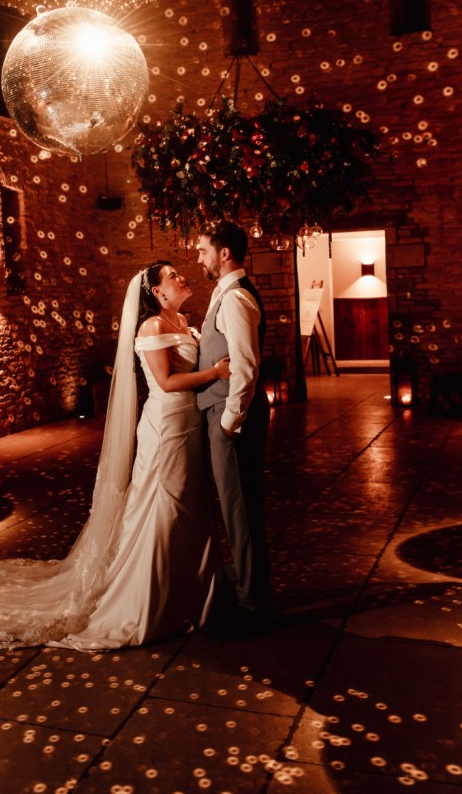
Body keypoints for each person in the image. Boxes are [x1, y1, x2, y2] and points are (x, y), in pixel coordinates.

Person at [0, 261, 230, 650]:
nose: (181, 279)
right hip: (167, 425)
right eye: (172, 277)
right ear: (157, 293)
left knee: (189, 504)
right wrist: (215, 374)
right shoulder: (153, 326)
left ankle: (189, 592)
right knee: (165, 505)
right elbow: (166, 381)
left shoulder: (183, 323)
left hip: (188, 424)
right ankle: (147, 600)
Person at [196, 220, 271, 634]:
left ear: (225, 253)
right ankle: (253, 591)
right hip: (226, 415)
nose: (200, 256)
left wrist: (228, 423)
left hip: (232, 420)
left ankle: (252, 605)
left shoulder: (236, 299)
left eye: (204, 249)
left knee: (239, 511)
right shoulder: (224, 294)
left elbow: (245, 367)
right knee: (239, 509)